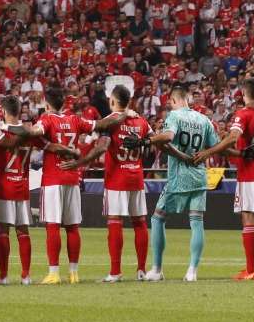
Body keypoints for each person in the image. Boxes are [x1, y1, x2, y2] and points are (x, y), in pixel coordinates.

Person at [69, 82, 151, 282]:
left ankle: (115, 272)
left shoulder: (109, 121)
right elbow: (152, 144)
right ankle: (141, 270)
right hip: (136, 176)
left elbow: (102, 147)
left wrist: (79, 163)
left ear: (113, 101)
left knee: (115, 222)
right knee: (140, 222)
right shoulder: (141, 121)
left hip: (117, 179)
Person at [202, 77, 254, 280]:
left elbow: (234, 137)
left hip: (250, 172)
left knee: (248, 218)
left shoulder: (243, 113)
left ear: (244, 93)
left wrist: (210, 151)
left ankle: (251, 270)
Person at [146, 85, 217, 282]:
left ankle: (157, 269)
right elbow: (215, 145)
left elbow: (168, 137)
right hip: (199, 176)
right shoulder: (204, 119)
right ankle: (192, 271)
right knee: (197, 222)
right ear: (188, 99)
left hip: (178, 177)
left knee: (157, 218)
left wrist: (150, 140)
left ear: (174, 101)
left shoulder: (175, 116)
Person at [35, 85, 90, 283]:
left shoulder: (46, 119)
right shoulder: (75, 119)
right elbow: (98, 126)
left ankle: (54, 273)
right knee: (72, 227)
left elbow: (36, 132)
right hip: (72, 177)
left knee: (53, 225)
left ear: (47, 103)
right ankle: (74, 273)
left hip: (53, 178)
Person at [0, 95, 43, 284]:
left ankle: (3, 276)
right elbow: (45, 144)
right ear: (20, 111)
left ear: (4, 111)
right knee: (23, 231)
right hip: (22, 187)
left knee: (2, 231)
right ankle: (26, 276)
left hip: (4, 188)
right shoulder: (29, 132)